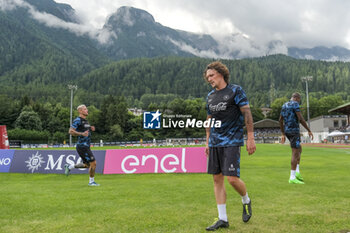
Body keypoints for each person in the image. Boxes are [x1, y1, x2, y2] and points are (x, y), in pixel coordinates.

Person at [204, 61, 256, 231]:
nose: (209, 79)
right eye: (207, 77)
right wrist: (207, 141)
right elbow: (209, 121)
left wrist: (250, 137)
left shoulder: (236, 90)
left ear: (221, 73)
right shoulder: (210, 97)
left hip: (232, 141)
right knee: (216, 179)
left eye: (211, 75)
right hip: (215, 143)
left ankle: (246, 199)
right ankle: (222, 218)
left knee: (232, 179)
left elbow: (247, 113)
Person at [279, 93, 313, 184]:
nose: (299, 101)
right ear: (297, 98)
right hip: (294, 131)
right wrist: (309, 130)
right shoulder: (295, 104)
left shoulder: (284, 105)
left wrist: (283, 133)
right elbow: (301, 119)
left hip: (287, 131)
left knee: (299, 149)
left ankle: (297, 172)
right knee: (295, 152)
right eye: (299, 99)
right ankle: (292, 177)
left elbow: (280, 120)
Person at [65, 104, 100, 186]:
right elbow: (70, 131)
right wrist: (81, 133)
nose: (87, 110)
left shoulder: (85, 121)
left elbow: (85, 129)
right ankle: (91, 182)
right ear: (80, 111)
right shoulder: (77, 120)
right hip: (82, 146)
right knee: (93, 163)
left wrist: (91, 128)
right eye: (85, 109)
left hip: (86, 146)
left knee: (87, 165)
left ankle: (70, 167)